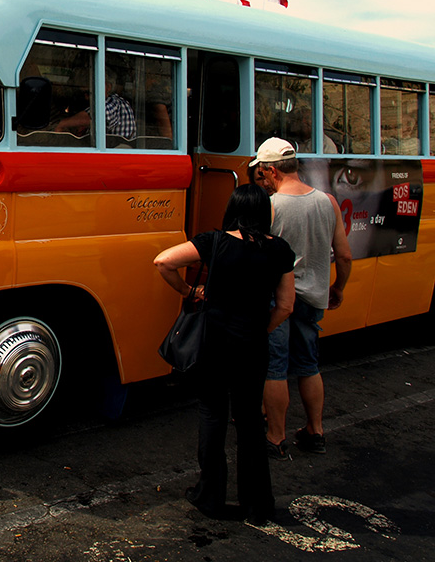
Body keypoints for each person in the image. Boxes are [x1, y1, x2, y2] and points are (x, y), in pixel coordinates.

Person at [154, 184, 295, 524]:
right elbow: (287, 305)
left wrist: (189, 290)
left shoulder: (215, 242)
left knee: (213, 415)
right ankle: (258, 504)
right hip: (252, 347)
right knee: (249, 422)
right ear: (265, 212)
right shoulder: (280, 251)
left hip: (214, 344)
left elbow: (163, 261)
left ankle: (211, 495)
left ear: (232, 209)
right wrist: (261, 329)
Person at [252, 137, 352, 458]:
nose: (262, 180)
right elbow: (345, 256)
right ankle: (315, 431)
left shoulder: (270, 207)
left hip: (276, 300)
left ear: (272, 171)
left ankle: (275, 436)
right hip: (313, 298)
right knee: (309, 364)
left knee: (275, 367)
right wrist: (338, 288)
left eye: (262, 174)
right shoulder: (327, 202)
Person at [54, 79, 136, 139]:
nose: (86, 97)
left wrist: (61, 124)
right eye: (84, 93)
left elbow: (97, 115)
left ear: (108, 87)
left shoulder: (114, 102)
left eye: (90, 91)